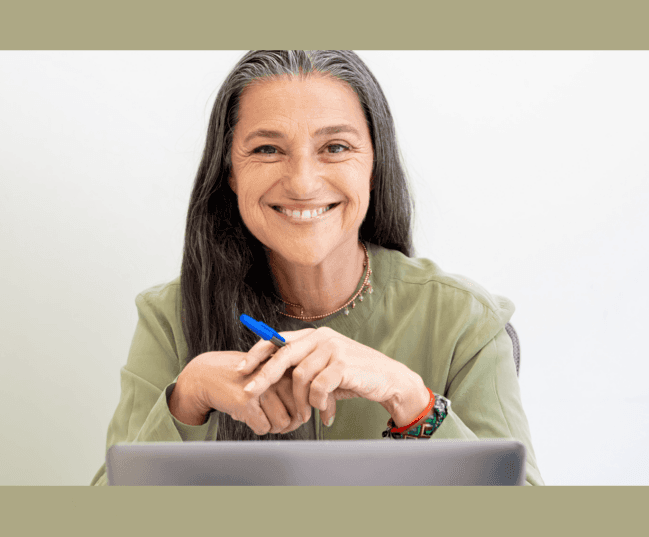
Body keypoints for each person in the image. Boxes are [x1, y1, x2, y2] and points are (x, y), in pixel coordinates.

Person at [91, 50, 543, 485]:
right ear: (229, 170)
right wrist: (185, 400)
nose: (303, 182)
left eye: (336, 146)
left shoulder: (465, 321)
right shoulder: (170, 316)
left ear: (374, 162)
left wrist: (411, 398)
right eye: (268, 149)